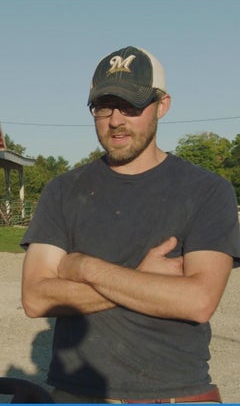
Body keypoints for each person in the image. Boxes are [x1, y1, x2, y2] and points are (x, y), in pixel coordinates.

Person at [20, 46, 240, 403]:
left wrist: (83, 266)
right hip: (77, 395)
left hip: (174, 393)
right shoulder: (63, 191)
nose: (116, 120)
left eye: (131, 106)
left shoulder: (208, 190)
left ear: (162, 106)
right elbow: (35, 298)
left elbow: (198, 300)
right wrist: (141, 276)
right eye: (104, 106)